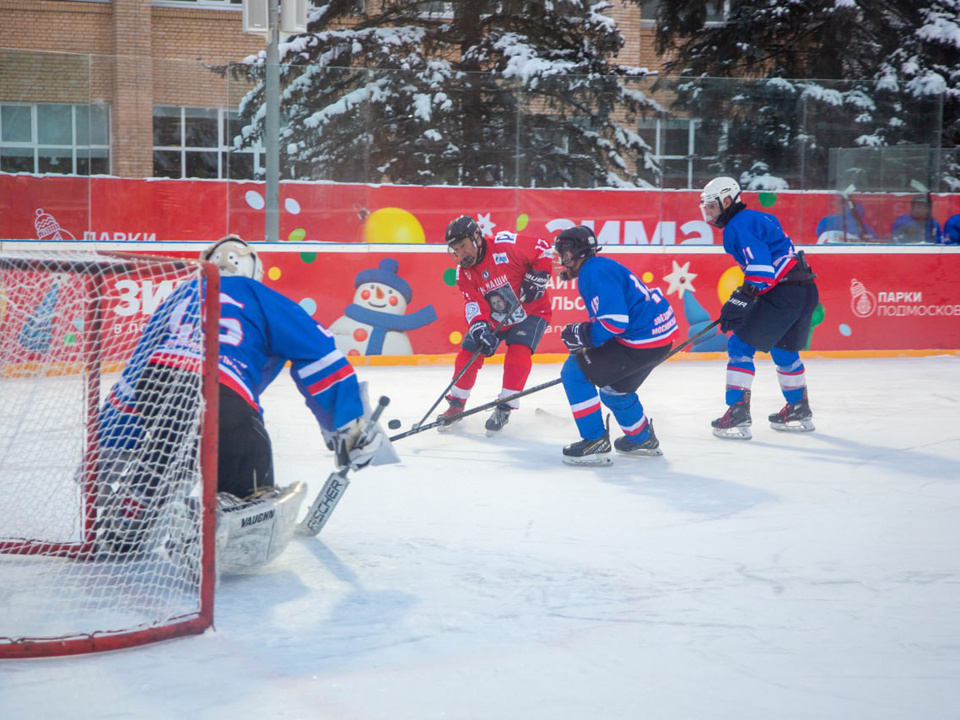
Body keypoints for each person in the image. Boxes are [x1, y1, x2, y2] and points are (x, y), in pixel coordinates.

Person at [97, 235, 393, 569]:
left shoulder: (181, 295)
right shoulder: (259, 294)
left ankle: (131, 513)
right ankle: (219, 517)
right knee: (249, 452)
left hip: (158, 380)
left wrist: (110, 442)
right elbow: (319, 356)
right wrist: (349, 425)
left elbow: (136, 368)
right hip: (221, 385)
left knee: (170, 444)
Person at [699, 177, 819, 440]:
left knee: (740, 347)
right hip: (805, 289)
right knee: (784, 348)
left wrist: (740, 299)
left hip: (784, 291)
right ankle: (799, 408)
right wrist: (742, 299)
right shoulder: (758, 217)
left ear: (728, 200)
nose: (709, 212)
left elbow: (761, 271)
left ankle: (738, 412)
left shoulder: (736, 225)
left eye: (712, 206)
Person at [553, 226, 677, 466]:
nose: (561, 257)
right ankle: (641, 439)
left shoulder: (593, 272)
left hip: (641, 340)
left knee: (574, 372)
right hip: (658, 340)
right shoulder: (597, 267)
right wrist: (588, 335)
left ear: (579, 252)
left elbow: (615, 322)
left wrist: (585, 335)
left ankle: (594, 441)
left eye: (565, 252)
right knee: (614, 390)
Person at [437, 215, 553, 434]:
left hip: (532, 311)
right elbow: (473, 303)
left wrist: (538, 276)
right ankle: (456, 403)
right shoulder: (463, 273)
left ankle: (506, 405)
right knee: (469, 353)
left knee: (518, 353)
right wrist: (479, 327)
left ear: (477, 238)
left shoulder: (505, 244)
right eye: (456, 249)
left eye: (463, 246)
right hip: (494, 316)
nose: (460, 254)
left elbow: (544, 249)